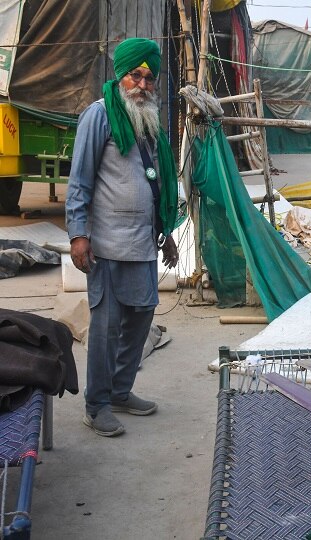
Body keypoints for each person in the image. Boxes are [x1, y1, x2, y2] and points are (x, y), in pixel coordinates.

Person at [66, 38, 179, 437]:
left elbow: (157, 181)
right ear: (121, 75)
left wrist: (165, 234)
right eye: (137, 75)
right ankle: (96, 405)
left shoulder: (148, 120)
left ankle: (119, 390)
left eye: (150, 78)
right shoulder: (98, 116)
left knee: (142, 317)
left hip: (143, 243)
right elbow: (79, 181)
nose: (144, 84)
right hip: (107, 244)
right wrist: (79, 235)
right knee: (106, 325)